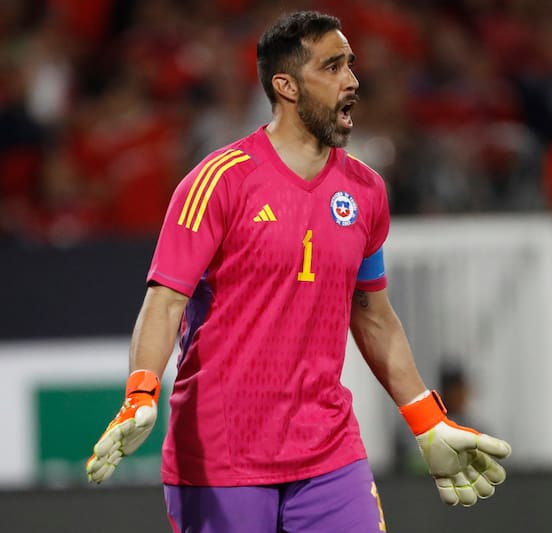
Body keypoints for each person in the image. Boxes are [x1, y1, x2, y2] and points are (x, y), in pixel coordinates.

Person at [85, 10, 511, 533]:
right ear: (285, 85)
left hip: (329, 456)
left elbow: (373, 314)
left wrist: (426, 419)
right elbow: (164, 300)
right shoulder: (218, 182)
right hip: (222, 460)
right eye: (332, 67)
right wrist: (142, 393)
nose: (352, 81)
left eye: (350, 65)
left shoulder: (366, 192)